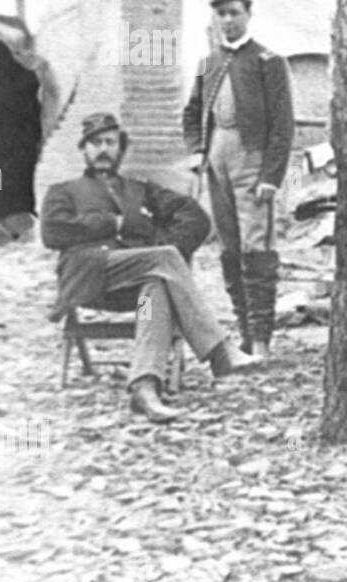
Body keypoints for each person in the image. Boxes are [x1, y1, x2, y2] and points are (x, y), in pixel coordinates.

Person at [42, 113, 259, 421]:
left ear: (120, 149)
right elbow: (52, 232)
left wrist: (157, 241)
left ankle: (145, 389)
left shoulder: (141, 190)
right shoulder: (64, 191)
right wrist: (110, 222)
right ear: (84, 150)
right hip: (88, 276)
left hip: (134, 281)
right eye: (95, 143)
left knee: (155, 288)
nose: (103, 149)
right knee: (164, 259)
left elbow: (194, 218)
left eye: (110, 142)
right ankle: (219, 351)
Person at [182, 0, 294, 364]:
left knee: (256, 247)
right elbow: (192, 112)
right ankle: (245, 335)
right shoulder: (209, 64)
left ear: (248, 14)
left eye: (234, 13)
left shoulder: (268, 61)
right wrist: (197, 150)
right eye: (222, 14)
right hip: (217, 163)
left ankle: (262, 340)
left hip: (252, 160)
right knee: (230, 248)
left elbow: (283, 126)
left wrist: (271, 177)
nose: (228, 20)